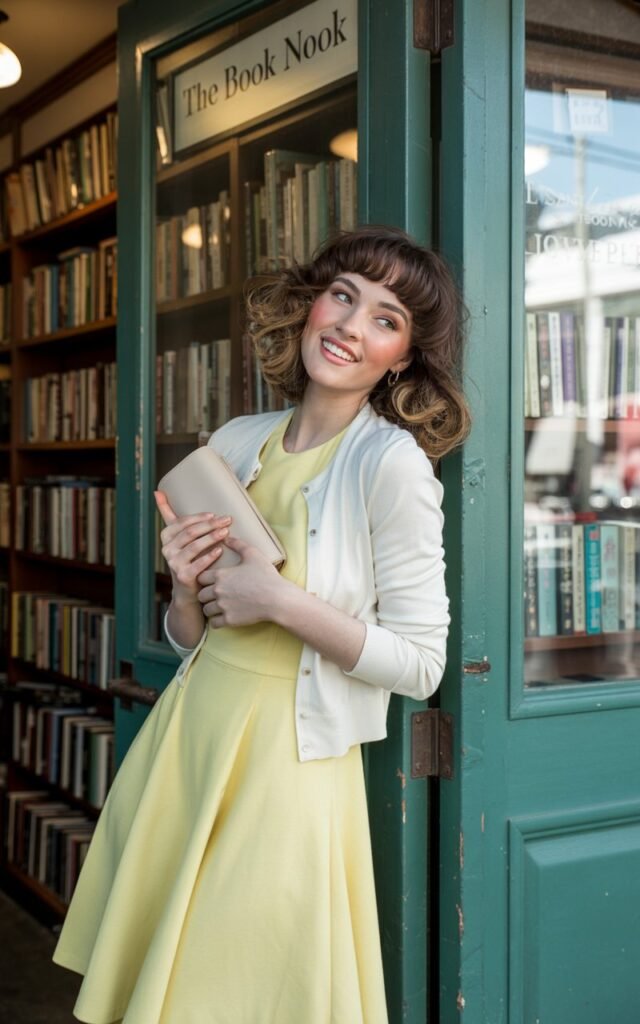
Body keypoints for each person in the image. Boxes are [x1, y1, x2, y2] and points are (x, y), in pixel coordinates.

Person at [53, 225, 471, 1023]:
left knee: (237, 991)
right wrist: (186, 589)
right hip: (192, 738)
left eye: (385, 319)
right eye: (343, 296)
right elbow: (193, 637)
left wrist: (278, 600)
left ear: (404, 358)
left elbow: (422, 664)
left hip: (289, 761)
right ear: (312, 305)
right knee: (163, 989)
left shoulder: (392, 465)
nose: (350, 326)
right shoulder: (238, 440)